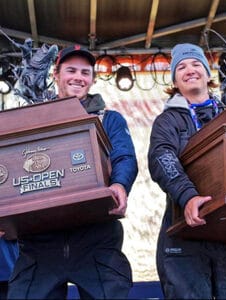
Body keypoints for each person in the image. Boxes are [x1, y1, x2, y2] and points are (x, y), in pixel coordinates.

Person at [6, 45, 138, 299]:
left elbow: (125, 157)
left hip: (96, 238)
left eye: (85, 72)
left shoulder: (109, 119)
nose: (78, 77)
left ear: (92, 78)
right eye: (71, 70)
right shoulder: (33, 117)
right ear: (56, 74)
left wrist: (120, 185)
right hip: (39, 240)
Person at [148, 43, 226, 299]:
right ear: (174, 79)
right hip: (186, 235)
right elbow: (161, 158)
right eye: (182, 67)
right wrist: (188, 196)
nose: (190, 70)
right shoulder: (167, 121)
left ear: (208, 74)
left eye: (197, 64)